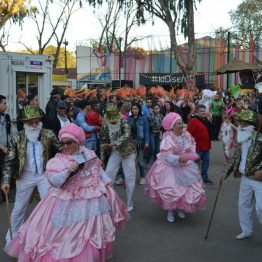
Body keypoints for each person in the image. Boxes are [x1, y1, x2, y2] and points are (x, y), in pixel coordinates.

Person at [4, 123, 128, 261]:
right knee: (66, 232)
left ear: (78, 141)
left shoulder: (89, 153)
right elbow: (54, 181)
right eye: (62, 143)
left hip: (91, 199)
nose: (65, 146)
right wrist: (68, 170)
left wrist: (106, 180)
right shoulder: (58, 161)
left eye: (69, 143)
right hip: (67, 201)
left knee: (89, 232)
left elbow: (98, 170)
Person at [1, 105, 60, 243]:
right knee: (19, 209)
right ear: (24, 123)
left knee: (50, 207)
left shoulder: (49, 134)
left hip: (44, 175)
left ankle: (50, 238)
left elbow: (61, 151)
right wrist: (5, 181)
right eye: (30, 122)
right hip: (24, 176)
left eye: (36, 121)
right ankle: (12, 240)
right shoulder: (17, 138)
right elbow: (9, 160)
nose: (34, 125)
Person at [145, 113, 206, 223]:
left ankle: (180, 208)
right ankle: (170, 211)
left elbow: (191, 147)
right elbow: (165, 155)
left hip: (185, 166)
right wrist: (178, 159)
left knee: (186, 189)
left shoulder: (186, 136)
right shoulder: (168, 138)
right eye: (178, 124)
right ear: (172, 126)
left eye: (181, 123)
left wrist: (190, 155)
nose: (181, 126)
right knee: (171, 190)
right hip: (170, 167)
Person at [222, 110, 262, 240]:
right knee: (243, 204)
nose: (241, 126)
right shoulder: (241, 139)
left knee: (260, 208)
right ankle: (246, 230)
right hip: (245, 177)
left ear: (252, 125)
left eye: (244, 123)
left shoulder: (260, 139)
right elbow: (235, 158)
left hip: (258, 179)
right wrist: (225, 174)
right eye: (240, 123)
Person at [100, 104, 136, 212]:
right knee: (108, 174)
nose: (113, 121)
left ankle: (130, 202)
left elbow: (126, 135)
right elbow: (103, 142)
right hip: (115, 153)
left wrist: (114, 144)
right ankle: (109, 200)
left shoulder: (124, 122)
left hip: (128, 152)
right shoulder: (105, 125)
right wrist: (102, 159)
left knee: (130, 177)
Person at [187, 104, 214, 185]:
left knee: (206, 163)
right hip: (197, 147)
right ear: (197, 112)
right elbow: (189, 134)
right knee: (194, 164)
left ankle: (204, 177)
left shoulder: (205, 119)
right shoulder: (194, 121)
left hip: (206, 146)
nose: (203, 113)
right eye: (201, 111)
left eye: (204, 111)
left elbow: (210, 129)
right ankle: (192, 178)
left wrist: (210, 117)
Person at [128, 101, 149, 185]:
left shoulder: (143, 118)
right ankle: (131, 178)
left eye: (136, 109)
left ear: (139, 109)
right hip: (131, 142)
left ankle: (142, 177)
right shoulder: (129, 119)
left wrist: (147, 142)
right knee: (131, 161)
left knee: (140, 160)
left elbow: (146, 131)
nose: (134, 110)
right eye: (133, 109)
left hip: (140, 141)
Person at [0, 95, 12, 202]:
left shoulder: (6, 117)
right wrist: (2, 147)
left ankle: (6, 196)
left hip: (7, 149)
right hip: (1, 149)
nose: (6, 105)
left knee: (6, 172)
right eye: (4, 103)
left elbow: (11, 132)